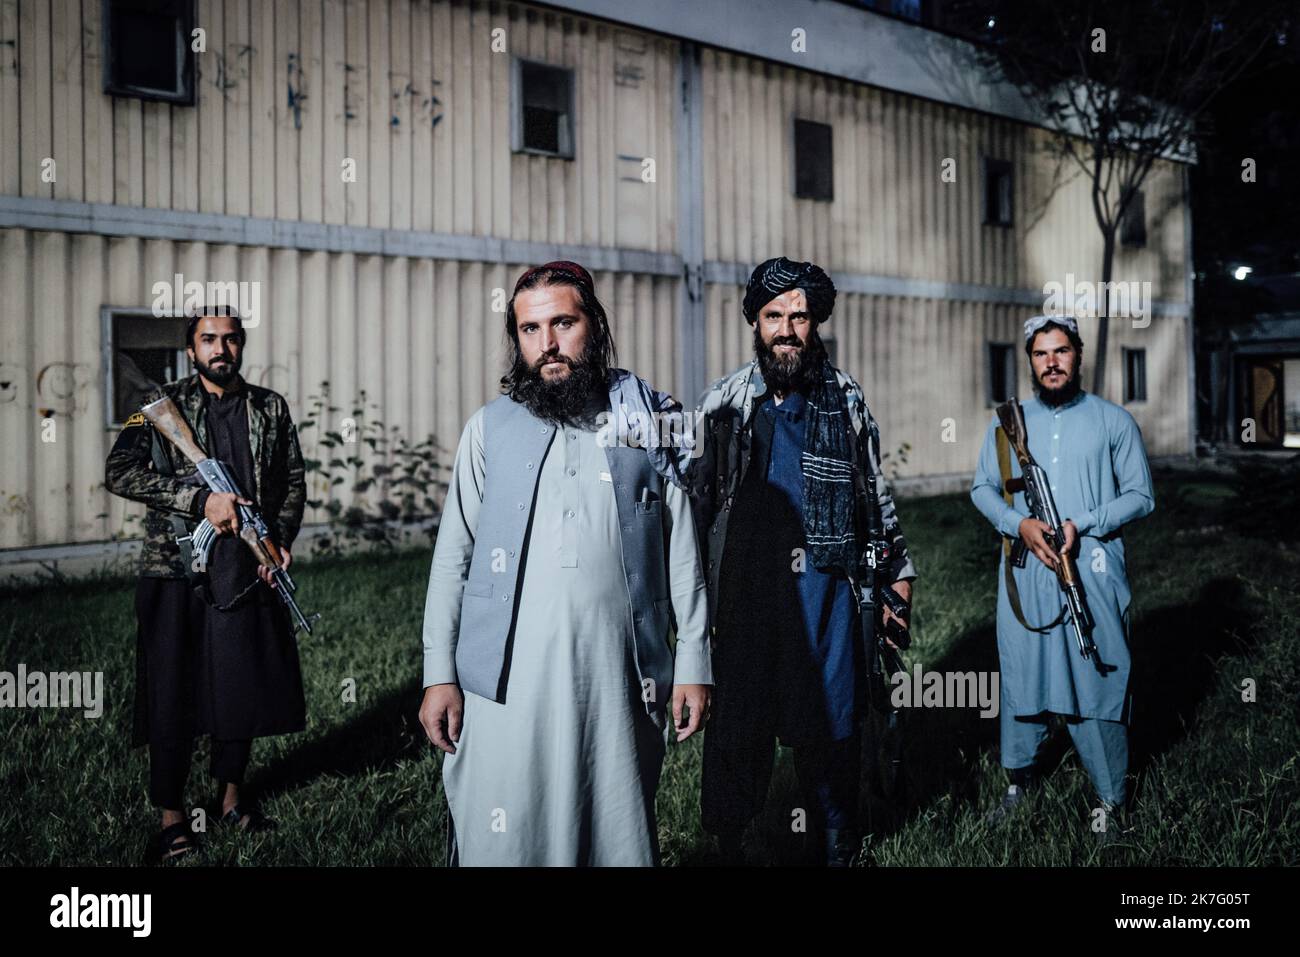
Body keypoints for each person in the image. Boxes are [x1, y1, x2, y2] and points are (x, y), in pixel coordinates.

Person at [417, 261, 712, 866]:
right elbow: (453, 559)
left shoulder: (646, 424)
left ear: (595, 325)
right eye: (529, 330)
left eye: (562, 323)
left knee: (612, 824)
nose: (547, 345)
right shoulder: (489, 430)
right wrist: (438, 675)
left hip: (615, 679)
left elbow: (683, 550)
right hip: (503, 687)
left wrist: (694, 662)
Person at [688, 257, 916, 866]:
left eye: (799, 316)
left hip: (828, 597)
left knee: (835, 727)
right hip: (749, 601)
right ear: (755, 324)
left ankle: (841, 847)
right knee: (739, 730)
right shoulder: (726, 404)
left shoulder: (843, 400)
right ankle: (731, 846)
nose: (787, 329)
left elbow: (873, 492)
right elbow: (696, 506)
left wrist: (899, 578)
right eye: (773, 317)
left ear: (814, 323)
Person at [105, 305, 307, 863]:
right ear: (190, 350)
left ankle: (231, 800)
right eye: (209, 340)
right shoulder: (154, 410)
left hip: (244, 572)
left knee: (239, 689)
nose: (222, 349)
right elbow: (119, 472)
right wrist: (199, 499)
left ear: (242, 345)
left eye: (231, 339)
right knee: (171, 691)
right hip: (174, 572)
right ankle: (172, 820)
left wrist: (277, 540)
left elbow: (292, 481)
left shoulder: (270, 407)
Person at [971, 316, 1154, 840]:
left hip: (1090, 570)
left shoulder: (1113, 421)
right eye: (1040, 353)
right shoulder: (1007, 424)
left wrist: (1084, 524)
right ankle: (1019, 784)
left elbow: (1142, 496)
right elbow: (982, 488)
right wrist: (1018, 524)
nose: (1051, 362)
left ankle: (1110, 801)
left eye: (1062, 351)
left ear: (1078, 356)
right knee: (1024, 674)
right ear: (1030, 361)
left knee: (1097, 674)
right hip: (1026, 574)